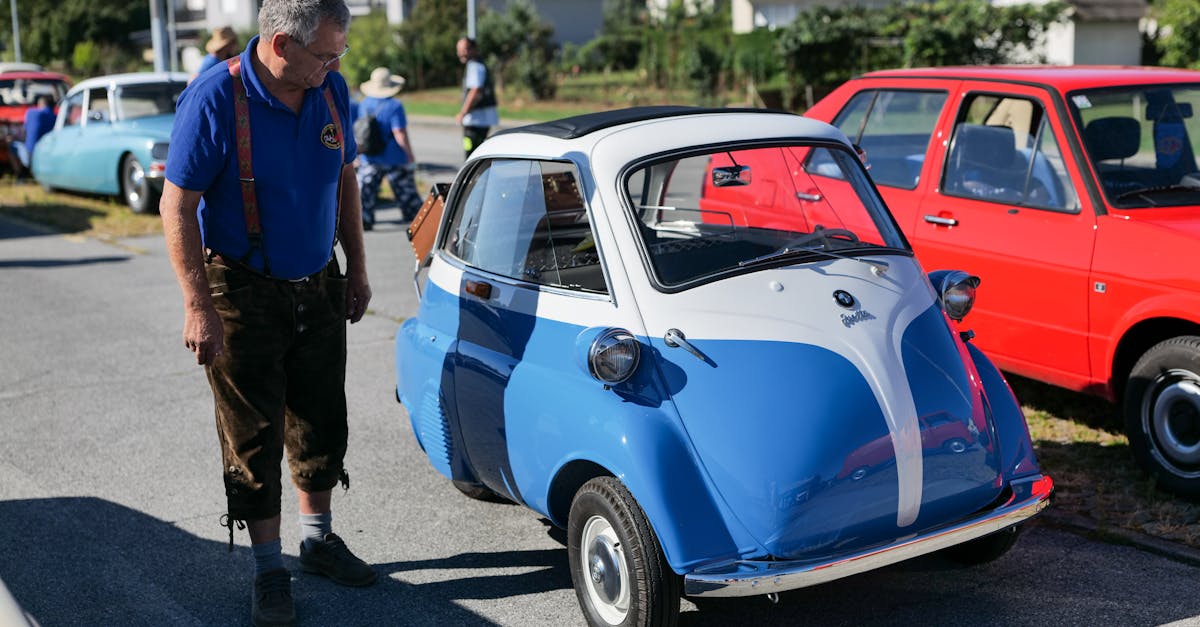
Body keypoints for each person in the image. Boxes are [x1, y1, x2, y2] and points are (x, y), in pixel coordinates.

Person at [159, 1, 374, 625]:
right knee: (253, 435)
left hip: (318, 280)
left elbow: (346, 181)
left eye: (340, 53)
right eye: (326, 54)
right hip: (242, 286)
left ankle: (317, 540)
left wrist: (356, 269)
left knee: (320, 415)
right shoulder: (215, 99)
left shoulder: (330, 89)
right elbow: (176, 207)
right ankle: (268, 569)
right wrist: (197, 305)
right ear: (281, 44)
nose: (336, 66)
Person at [355, 66, 422, 229]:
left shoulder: (364, 104)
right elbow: (399, 132)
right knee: (406, 192)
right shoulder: (395, 106)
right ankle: (416, 219)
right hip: (394, 157)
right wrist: (410, 155)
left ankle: (364, 218)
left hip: (369, 156)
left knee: (365, 192)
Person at [454, 37, 498, 158]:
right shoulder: (478, 64)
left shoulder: (474, 65)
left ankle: (472, 177)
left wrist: (463, 113)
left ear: (474, 50)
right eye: (459, 50)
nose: (460, 53)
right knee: (476, 152)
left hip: (476, 119)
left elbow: (474, 90)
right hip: (481, 118)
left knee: (471, 154)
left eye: (465, 49)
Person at [9, 95, 55, 175]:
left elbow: (25, 134)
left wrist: (12, 137)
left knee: (11, 145)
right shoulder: (58, 117)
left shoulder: (32, 113)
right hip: (51, 156)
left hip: (32, 157)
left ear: (41, 103)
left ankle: (20, 175)